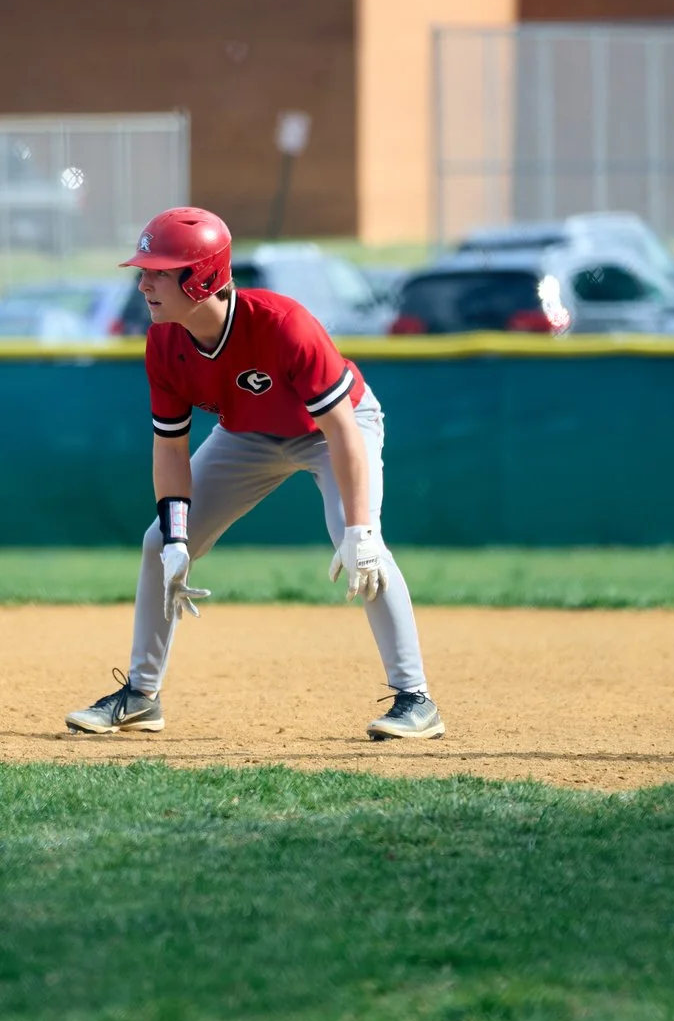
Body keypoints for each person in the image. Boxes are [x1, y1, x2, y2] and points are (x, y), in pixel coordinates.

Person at [65, 206, 443, 741]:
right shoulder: (164, 342)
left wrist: (361, 529)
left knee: (360, 545)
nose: (143, 281)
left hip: (334, 429)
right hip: (247, 435)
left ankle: (416, 699)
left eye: (158, 270)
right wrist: (178, 538)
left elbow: (342, 431)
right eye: (143, 268)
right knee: (158, 542)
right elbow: (170, 448)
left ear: (202, 278)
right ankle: (141, 697)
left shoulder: (282, 324)